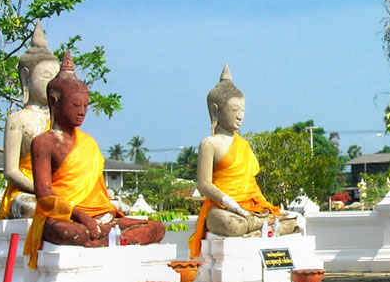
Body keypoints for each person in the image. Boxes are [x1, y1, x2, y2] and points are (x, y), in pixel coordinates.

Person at [23, 52, 165, 270]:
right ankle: (109, 239)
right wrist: (81, 216)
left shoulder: (89, 143)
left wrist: (105, 216)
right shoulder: (44, 143)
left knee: (156, 228)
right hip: (69, 218)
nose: (82, 112)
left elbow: (99, 193)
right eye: (75, 105)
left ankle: (105, 239)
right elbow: (44, 194)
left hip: (102, 218)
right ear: (54, 101)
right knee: (64, 231)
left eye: (85, 106)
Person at [189, 64, 300, 258]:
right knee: (231, 224)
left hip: (251, 208)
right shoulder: (209, 144)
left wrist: (254, 210)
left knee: (293, 219)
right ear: (215, 111)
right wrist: (234, 206)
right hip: (224, 208)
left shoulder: (244, 145)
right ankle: (261, 227)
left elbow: (251, 185)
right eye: (234, 109)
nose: (240, 116)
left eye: (242, 109)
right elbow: (204, 185)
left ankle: (257, 229)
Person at [0, 21, 60, 219]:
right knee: (29, 208)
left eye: (56, 78)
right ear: (26, 78)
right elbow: (11, 171)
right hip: (27, 191)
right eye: (46, 77)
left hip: (59, 188)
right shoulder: (18, 120)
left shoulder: (59, 120)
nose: (53, 84)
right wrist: (41, 190)